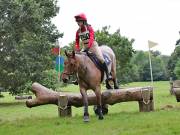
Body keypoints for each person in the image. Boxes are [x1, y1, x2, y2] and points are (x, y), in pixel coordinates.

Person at [72, 13, 112, 85]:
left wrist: (88, 47)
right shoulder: (78, 31)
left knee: (101, 59)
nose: (78, 23)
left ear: (84, 21)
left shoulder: (89, 28)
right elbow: (77, 42)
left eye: (79, 21)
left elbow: (91, 38)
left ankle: (108, 75)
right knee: (77, 60)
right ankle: (77, 78)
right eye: (77, 22)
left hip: (93, 45)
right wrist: (77, 49)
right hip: (85, 46)